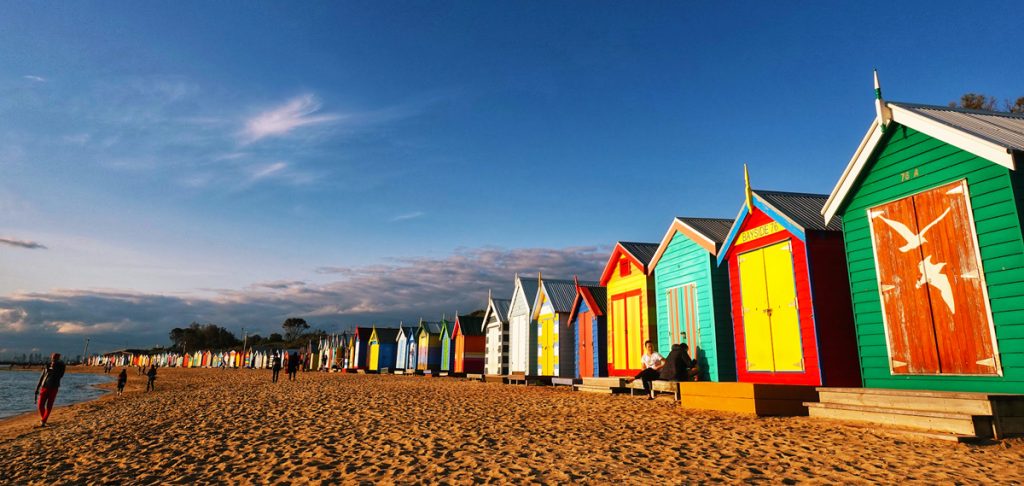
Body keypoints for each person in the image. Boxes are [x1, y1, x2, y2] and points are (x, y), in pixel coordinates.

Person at [34, 353, 66, 427]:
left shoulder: (61, 367)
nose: (53, 359)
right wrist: (37, 388)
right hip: (44, 387)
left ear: (58, 359)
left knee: (49, 406)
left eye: (55, 358)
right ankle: (44, 420)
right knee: (40, 405)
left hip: (54, 388)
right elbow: (42, 377)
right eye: (53, 358)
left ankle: (43, 421)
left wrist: (55, 368)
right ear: (51, 357)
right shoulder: (47, 366)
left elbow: (60, 376)